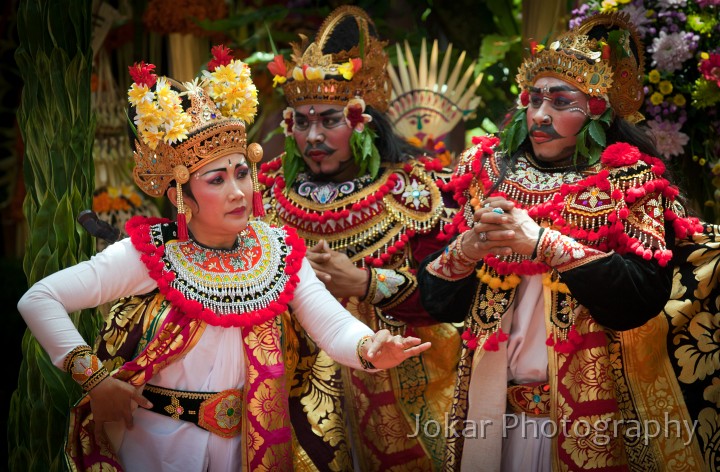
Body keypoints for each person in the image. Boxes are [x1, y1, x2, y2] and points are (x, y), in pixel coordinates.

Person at [16, 45, 432, 472]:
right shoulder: (152, 253)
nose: (238, 191)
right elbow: (39, 299)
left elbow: (328, 321)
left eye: (242, 173)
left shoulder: (278, 248)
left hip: (248, 445)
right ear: (182, 194)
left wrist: (369, 346)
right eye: (217, 179)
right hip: (156, 445)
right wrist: (95, 379)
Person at [417, 12, 717, 471]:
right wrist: (469, 249)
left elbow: (642, 295)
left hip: (591, 413)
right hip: (491, 414)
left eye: (560, 101)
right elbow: (440, 303)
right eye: (534, 99)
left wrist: (544, 244)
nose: (539, 114)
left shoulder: (628, 181)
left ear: (597, 108)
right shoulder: (492, 172)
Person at [260, 6, 481, 470]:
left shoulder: (418, 193)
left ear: (363, 121)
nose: (313, 135)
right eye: (301, 121)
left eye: (329, 120)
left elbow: (452, 296)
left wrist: (365, 284)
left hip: (402, 390)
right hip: (291, 392)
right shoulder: (263, 194)